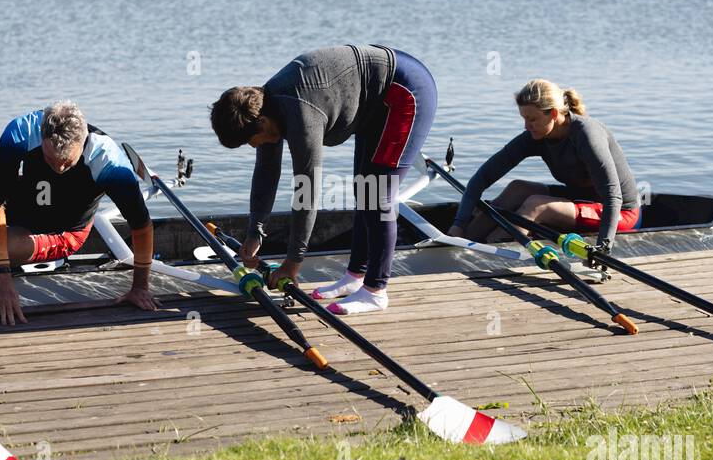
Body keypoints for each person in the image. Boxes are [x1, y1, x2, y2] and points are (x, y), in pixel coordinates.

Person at [210, 44, 437, 315]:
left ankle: (376, 291)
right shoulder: (264, 109)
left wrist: (293, 262)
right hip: (372, 102)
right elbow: (266, 175)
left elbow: (306, 192)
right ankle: (356, 277)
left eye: (250, 141)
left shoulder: (300, 116)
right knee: (363, 189)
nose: (253, 146)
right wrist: (254, 231)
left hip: (404, 91)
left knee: (378, 195)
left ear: (261, 124)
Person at [0, 101, 159, 325]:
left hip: (59, 231)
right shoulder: (20, 133)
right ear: (42, 135)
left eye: (67, 163)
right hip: (19, 198)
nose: (59, 168)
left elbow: (141, 225)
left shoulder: (109, 163)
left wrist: (139, 287)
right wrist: (2, 277)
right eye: (50, 160)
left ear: (81, 144)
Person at [448, 79, 639, 258]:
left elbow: (613, 196)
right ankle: (459, 244)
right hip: (580, 199)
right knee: (517, 188)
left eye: (532, 119)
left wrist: (602, 249)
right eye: (523, 118)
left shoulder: (586, 135)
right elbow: (481, 178)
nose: (526, 126)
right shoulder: (536, 135)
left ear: (554, 114)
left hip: (619, 213)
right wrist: (459, 224)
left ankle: (492, 251)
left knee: (536, 205)